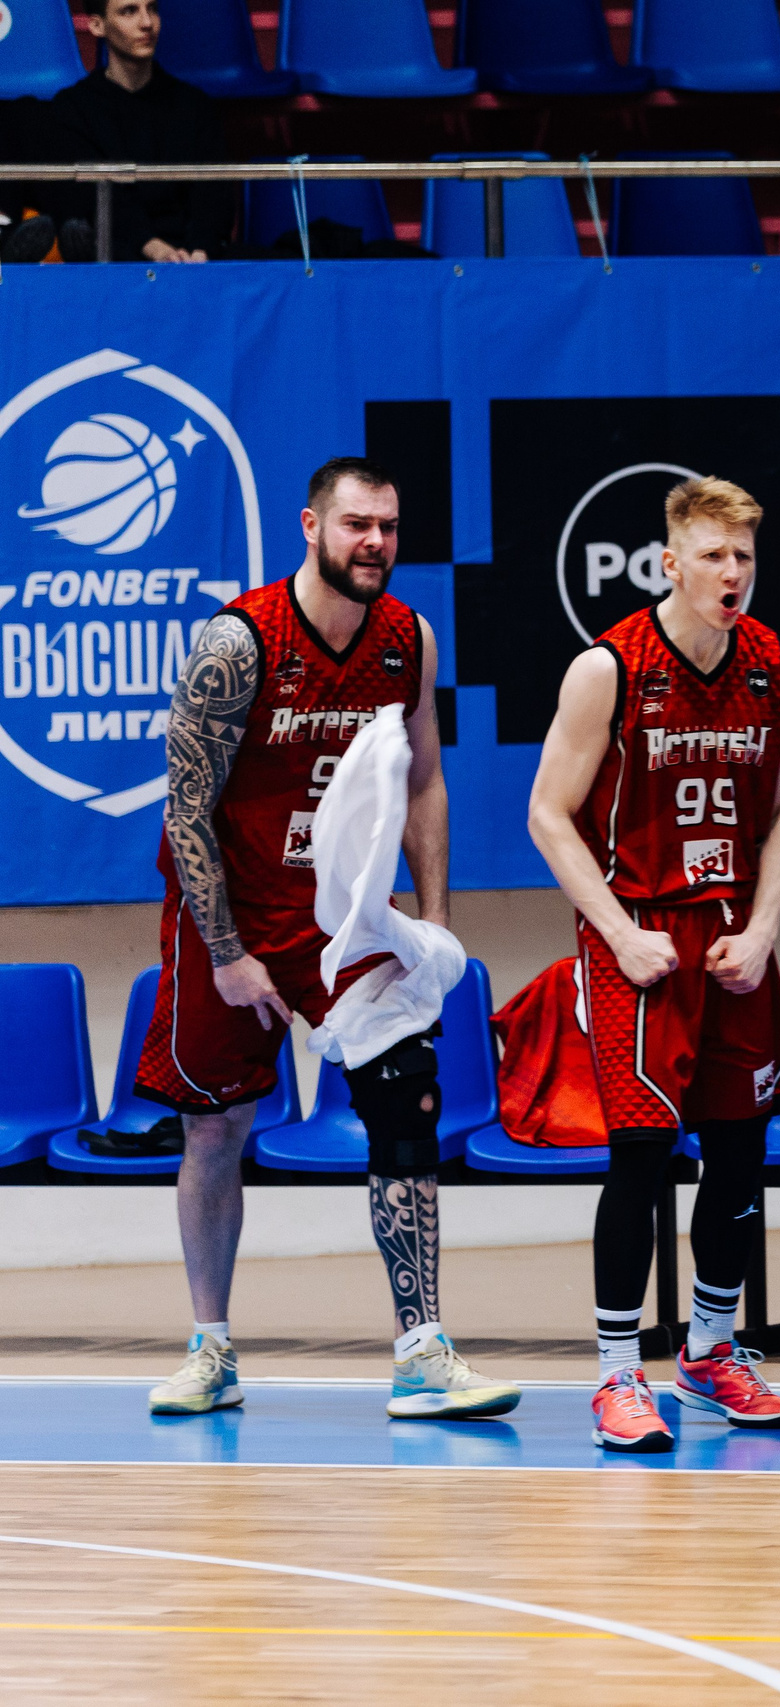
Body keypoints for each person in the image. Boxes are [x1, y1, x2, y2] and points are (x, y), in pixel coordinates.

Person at [141, 459, 517, 1424]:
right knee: (217, 1127)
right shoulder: (238, 642)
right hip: (229, 909)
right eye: (357, 525)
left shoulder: (408, 639)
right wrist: (225, 953)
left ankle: (422, 1350)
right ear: (311, 525)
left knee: (407, 1104)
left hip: (345, 916)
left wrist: (429, 915)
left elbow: (426, 777)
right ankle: (211, 1346)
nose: (376, 544)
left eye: (389, 527)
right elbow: (185, 809)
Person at [527, 477, 780, 1454]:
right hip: (639, 932)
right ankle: (616, 1375)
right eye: (713, 556)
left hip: (733, 932)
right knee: (642, 1155)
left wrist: (767, 925)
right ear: (669, 563)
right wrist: (616, 931)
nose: (732, 574)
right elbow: (547, 816)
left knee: (738, 1153)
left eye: (744, 557)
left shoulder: (777, 662)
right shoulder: (608, 668)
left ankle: (711, 1353)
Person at [40, 0, 233, 264]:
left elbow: (214, 195)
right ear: (97, 26)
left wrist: (201, 250)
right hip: (118, 255)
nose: (147, 23)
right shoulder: (74, 108)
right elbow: (88, 201)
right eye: (129, 11)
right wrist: (153, 248)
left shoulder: (194, 105)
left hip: (194, 258)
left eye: (152, 9)